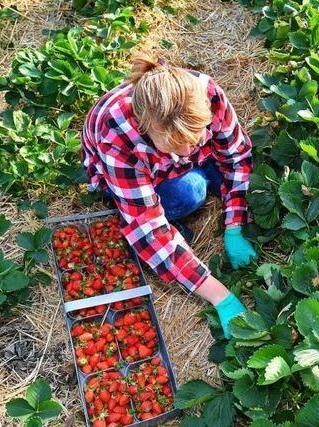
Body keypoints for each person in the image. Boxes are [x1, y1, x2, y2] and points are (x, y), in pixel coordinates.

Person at [81, 54, 258, 338]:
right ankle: (187, 187)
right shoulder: (117, 138)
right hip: (136, 171)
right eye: (175, 145)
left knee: (232, 173)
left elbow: (237, 156)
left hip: (173, 152)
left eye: (195, 137)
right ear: (146, 128)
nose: (188, 151)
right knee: (190, 192)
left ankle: (197, 170)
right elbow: (149, 228)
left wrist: (234, 224)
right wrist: (220, 297)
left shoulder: (206, 93)